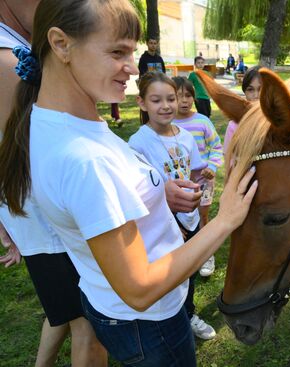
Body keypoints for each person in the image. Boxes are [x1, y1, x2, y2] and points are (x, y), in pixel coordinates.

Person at [0, 1, 257, 366]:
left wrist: (155, 192)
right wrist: (225, 220)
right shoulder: (83, 159)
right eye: (117, 51)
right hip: (149, 323)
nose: (131, 68)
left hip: (108, 304)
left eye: (132, 52)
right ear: (60, 44)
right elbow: (140, 288)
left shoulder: (60, 120)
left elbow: (101, 196)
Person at [0, 1, 108, 366]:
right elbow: (43, 145)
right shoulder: (5, 56)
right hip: (48, 217)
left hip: (41, 215)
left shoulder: (21, 42)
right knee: (92, 323)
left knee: (65, 311)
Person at [129, 71, 216, 340]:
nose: (166, 106)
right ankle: (172, 318)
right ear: (142, 103)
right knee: (168, 272)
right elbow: (137, 192)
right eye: (156, 100)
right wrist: (169, 222)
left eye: (171, 98)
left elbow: (193, 173)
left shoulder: (187, 138)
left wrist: (198, 194)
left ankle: (188, 313)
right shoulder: (137, 143)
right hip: (160, 222)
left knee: (188, 270)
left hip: (189, 218)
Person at [173, 76, 223, 278]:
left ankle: (205, 255)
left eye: (188, 96)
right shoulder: (168, 124)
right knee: (179, 219)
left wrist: (211, 166)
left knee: (202, 216)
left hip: (204, 183)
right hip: (179, 185)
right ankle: (183, 254)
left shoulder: (202, 121)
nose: (184, 101)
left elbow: (216, 147)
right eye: (178, 97)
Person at [223, 66, 261, 155]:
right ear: (245, 93)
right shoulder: (234, 125)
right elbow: (229, 158)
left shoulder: (278, 123)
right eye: (250, 89)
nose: (256, 95)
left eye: (261, 89)